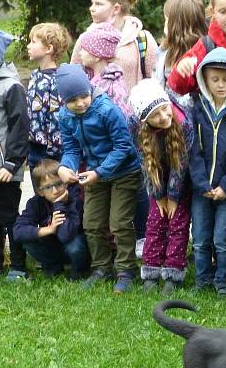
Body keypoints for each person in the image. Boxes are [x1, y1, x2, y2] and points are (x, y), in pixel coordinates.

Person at [56, 63, 141, 293]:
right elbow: (72, 149)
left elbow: (124, 146)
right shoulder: (65, 116)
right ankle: (101, 267)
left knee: (119, 223)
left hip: (124, 172)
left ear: (90, 90)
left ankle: (125, 270)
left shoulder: (106, 110)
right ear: (65, 101)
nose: (80, 103)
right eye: (73, 101)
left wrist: (100, 172)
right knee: (91, 223)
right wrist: (66, 167)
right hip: (94, 174)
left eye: (84, 96)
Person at [188, 48, 226, 297]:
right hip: (201, 189)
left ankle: (224, 281)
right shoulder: (196, 108)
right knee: (201, 238)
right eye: (215, 79)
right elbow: (192, 150)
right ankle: (203, 279)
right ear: (205, 79)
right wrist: (203, 185)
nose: (221, 85)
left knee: (222, 239)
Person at [128, 79, 193, 295]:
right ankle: (151, 270)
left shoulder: (183, 122)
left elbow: (180, 165)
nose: (164, 117)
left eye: (165, 109)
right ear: (145, 121)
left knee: (178, 223)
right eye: (155, 115)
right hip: (156, 176)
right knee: (155, 223)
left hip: (179, 179)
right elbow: (145, 163)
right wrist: (157, 194)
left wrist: (173, 196)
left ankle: (173, 271)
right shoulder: (136, 127)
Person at [0, 27, 29, 282]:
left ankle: (18, 267)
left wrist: (12, 163)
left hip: (4, 169)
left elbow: (20, 127)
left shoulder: (11, 86)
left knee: (10, 218)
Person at [71, 0, 159, 89]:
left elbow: (156, 81)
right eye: (92, 3)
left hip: (130, 105)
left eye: (98, 4)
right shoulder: (86, 39)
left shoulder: (142, 39)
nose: (91, 8)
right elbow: (73, 80)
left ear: (116, 8)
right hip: (94, 105)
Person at [13, 158, 89, 279]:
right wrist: (48, 229)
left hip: (75, 246)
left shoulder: (75, 199)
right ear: (40, 191)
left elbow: (66, 235)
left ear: (65, 182)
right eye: (48, 187)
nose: (55, 191)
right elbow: (17, 231)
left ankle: (79, 270)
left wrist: (59, 204)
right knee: (29, 241)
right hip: (53, 246)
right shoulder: (36, 203)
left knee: (75, 245)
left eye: (58, 184)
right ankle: (53, 267)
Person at [26, 22, 71, 171]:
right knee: (38, 192)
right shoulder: (35, 76)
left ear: (48, 49)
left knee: (52, 192)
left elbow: (56, 118)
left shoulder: (55, 80)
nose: (29, 46)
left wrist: (53, 153)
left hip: (50, 151)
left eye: (33, 42)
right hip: (34, 147)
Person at [77, 22, 132, 118]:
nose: (80, 53)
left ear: (97, 56)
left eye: (84, 49)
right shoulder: (84, 78)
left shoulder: (115, 87)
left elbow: (123, 119)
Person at [155, 0, 207, 87]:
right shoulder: (165, 48)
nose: (165, 23)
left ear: (178, 25)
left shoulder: (201, 53)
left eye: (167, 20)